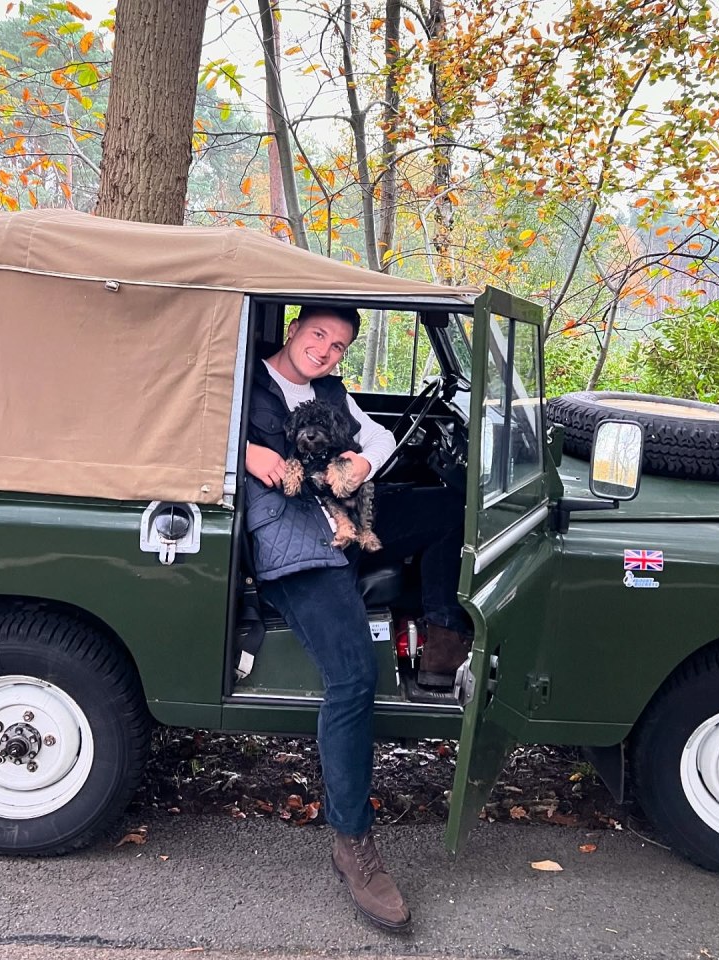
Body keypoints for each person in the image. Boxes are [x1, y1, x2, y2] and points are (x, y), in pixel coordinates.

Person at [243, 305, 470, 932]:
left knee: (447, 509)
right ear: (292, 329)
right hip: (293, 537)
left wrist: (363, 462)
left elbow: (376, 435)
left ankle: (443, 638)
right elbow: (194, 422)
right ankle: (352, 842)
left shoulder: (329, 390)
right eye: (317, 335)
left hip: (348, 515)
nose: (325, 351)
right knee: (351, 680)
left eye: (339, 345)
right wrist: (245, 451)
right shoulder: (245, 379)